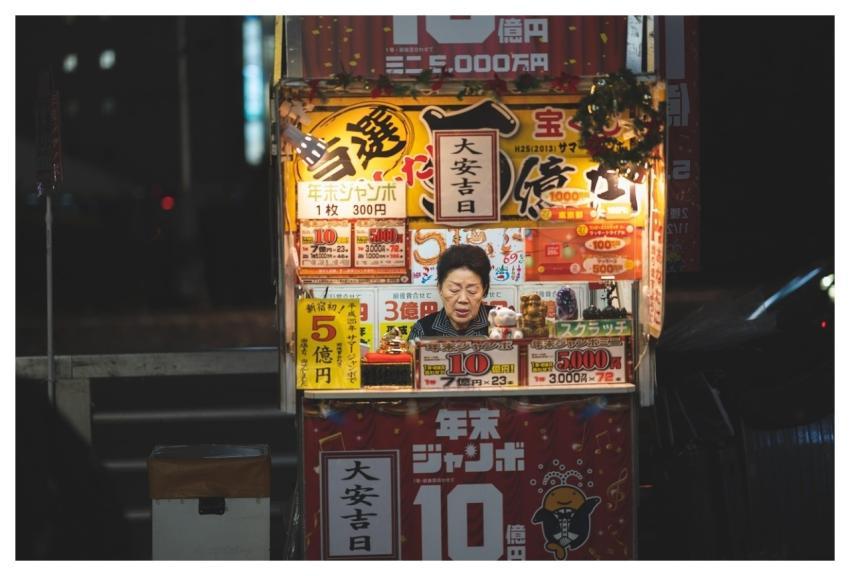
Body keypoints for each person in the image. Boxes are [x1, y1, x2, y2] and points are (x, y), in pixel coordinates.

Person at [408, 244, 492, 340]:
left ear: (484, 290)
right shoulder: (423, 330)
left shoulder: (502, 323)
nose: (463, 299)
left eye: (472, 291)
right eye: (454, 290)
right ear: (440, 288)